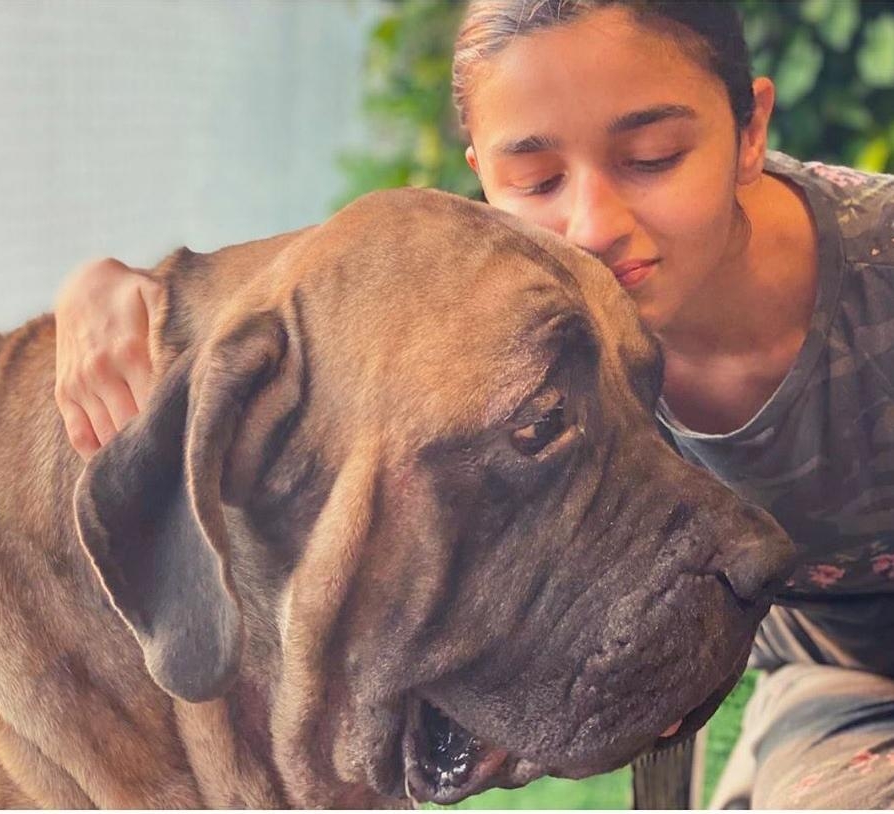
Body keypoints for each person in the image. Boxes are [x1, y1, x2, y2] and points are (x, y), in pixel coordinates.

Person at [53, 0, 894, 807]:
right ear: (482, 182)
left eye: (653, 159)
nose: (592, 223)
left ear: (749, 130)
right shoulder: (501, 301)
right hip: (841, 684)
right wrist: (111, 290)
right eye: (534, 178)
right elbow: (315, 305)